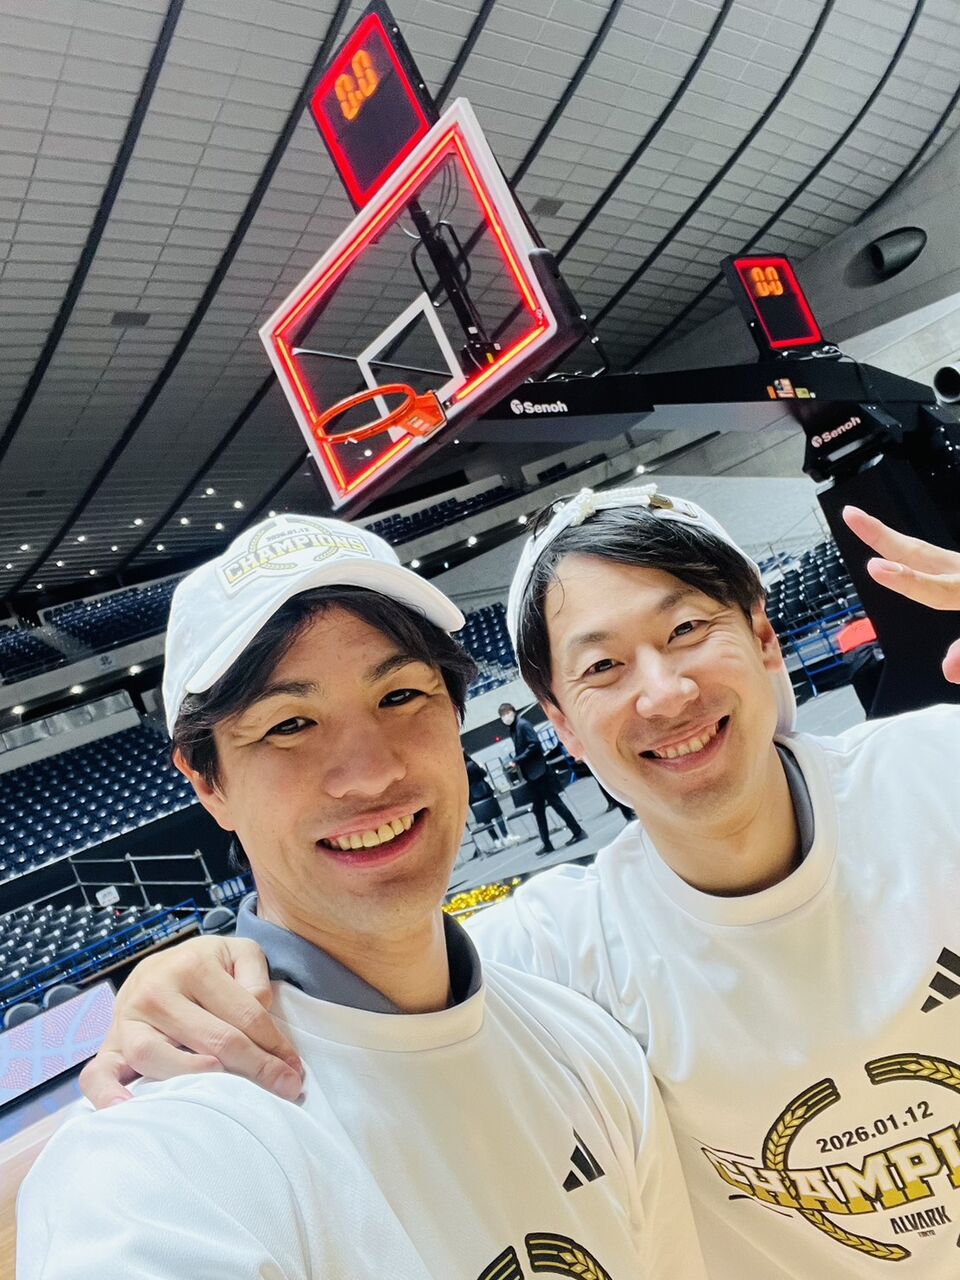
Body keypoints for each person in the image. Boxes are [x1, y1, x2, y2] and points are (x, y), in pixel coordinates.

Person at [76, 492, 960, 1278]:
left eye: (687, 629)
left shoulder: (940, 773)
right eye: (289, 725)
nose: (664, 693)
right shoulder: (559, 961)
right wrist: (169, 1000)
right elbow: (119, 1182)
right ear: (562, 723)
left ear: (765, 638)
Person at [17, 513, 706, 1280]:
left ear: (454, 714)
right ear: (208, 784)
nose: (371, 772)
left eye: (401, 694)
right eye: (290, 724)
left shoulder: (584, 1045)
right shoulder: (159, 1164)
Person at [497, 702, 586, 855]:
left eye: (507, 712)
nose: (505, 716)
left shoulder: (522, 725)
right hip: (533, 775)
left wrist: (517, 760)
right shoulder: (515, 728)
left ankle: (577, 832)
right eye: (502, 715)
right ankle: (547, 843)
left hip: (540, 773)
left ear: (513, 711)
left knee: (556, 804)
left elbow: (534, 744)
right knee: (539, 810)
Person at [463, 750, 522, 852]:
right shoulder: (472, 765)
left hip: (472, 797)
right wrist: (480, 766)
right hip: (484, 791)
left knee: (485, 819)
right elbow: (483, 774)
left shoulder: (458, 770)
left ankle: (496, 840)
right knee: (497, 814)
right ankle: (506, 836)